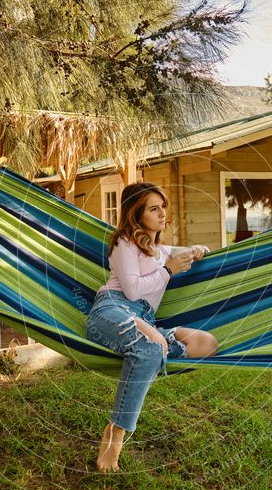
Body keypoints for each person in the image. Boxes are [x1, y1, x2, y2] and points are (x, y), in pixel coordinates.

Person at [86, 182, 218, 472]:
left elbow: (200, 250)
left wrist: (198, 249)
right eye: (153, 208)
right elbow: (132, 290)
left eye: (163, 207)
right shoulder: (125, 244)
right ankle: (116, 433)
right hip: (112, 309)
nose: (161, 214)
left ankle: (162, 344)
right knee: (148, 348)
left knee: (207, 344)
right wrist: (169, 271)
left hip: (143, 319)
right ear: (137, 213)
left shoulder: (162, 251)